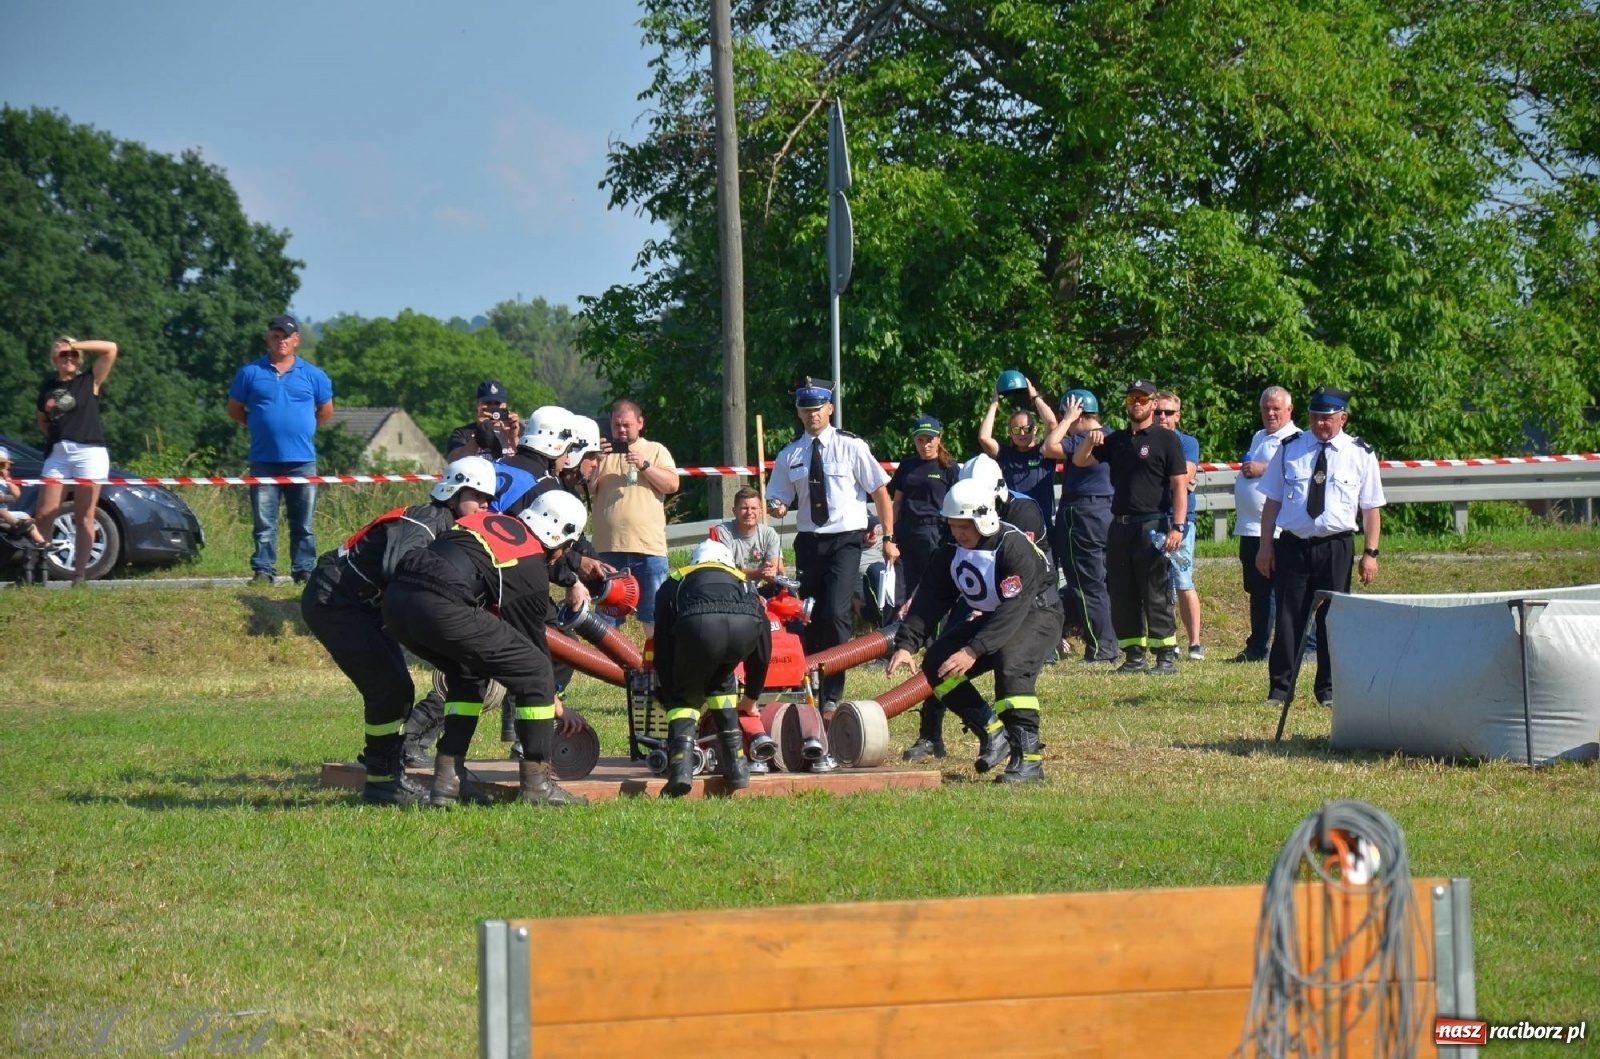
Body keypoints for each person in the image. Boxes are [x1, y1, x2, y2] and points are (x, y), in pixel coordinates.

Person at [300, 456, 498, 805]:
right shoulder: (427, 519)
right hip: (336, 601)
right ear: (453, 492)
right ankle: (383, 783)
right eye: (477, 495)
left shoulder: (451, 529)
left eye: (488, 498)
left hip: (368, 607)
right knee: (390, 690)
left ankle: (397, 773)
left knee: (405, 688)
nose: (485, 504)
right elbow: (399, 567)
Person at [383, 491, 593, 807]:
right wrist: (556, 705)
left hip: (397, 602)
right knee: (536, 670)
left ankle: (447, 781)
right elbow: (532, 653)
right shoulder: (529, 565)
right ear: (559, 537)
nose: (563, 552)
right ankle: (537, 787)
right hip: (441, 606)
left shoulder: (491, 521)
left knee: (468, 672)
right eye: (566, 545)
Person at [886, 478, 1062, 783]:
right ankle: (993, 733)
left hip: (1038, 613)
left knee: (1011, 665)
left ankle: (1029, 760)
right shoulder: (951, 550)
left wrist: (974, 649)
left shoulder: (1013, 546)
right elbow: (931, 597)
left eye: (964, 526)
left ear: (984, 519)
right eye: (953, 526)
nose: (958, 533)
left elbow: (1014, 608)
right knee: (937, 663)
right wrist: (906, 643)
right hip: (998, 616)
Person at [766, 379, 898, 710]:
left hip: (845, 540)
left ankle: (833, 691)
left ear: (830, 409)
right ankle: (810, 681)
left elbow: (880, 491)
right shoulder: (790, 453)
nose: (812, 416)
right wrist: (778, 506)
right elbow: (778, 497)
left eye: (818, 410)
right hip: (810, 542)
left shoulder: (851, 446)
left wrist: (888, 536)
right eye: (806, 410)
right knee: (811, 614)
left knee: (838, 612)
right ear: (798, 412)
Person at [1256, 386, 1385, 710]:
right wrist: (1265, 547)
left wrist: (1371, 553)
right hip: (1294, 545)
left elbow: (1371, 509)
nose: (1319, 424)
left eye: (1326, 418)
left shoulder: (1360, 453)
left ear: (1343, 417)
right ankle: (1280, 690)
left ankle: (1327, 690)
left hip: (1336, 546)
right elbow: (1271, 502)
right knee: (1288, 617)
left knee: (1332, 619)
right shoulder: (1290, 448)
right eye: (1314, 417)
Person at [1071, 379, 1190, 675]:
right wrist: (1090, 438)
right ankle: (1134, 656)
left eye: (1142, 399)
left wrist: (1177, 526)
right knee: (1123, 593)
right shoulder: (1118, 440)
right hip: (1120, 526)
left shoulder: (1166, 439)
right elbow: (1079, 460)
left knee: (1156, 592)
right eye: (1131, 399)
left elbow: (1179, 486)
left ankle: (1164, 656)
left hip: (1153, 524)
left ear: (1153, 403)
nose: (1136, 404)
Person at [651, 538, 773, 796]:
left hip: (700, 627)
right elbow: (763, 648)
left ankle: (680, 771)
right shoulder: (744, 582)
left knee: (686, 697)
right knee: (722, 682)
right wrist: (752, 696)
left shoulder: (677, 579)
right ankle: (737, 767)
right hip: (744, 631)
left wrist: (670, 687)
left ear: (695, 562)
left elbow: (662, 643)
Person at [227, 314, 334, 585]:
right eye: (275, 336)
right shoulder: (250, 373)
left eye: (285, 336)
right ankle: (264, 570)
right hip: (263, 460)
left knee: (304, 524)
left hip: (302, 461)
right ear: (268, 339)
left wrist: (304, 429)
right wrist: (258, 425)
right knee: (264, 523)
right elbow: (235, 409)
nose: (280, 341)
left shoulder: (314, 375)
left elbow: (325, 411)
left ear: (296, 340)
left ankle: (304, 570)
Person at [31, 337, 120, 585]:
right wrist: (55, 436)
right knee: (45, 512)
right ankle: (39, 568)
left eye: (73, 355)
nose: (69, 359)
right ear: (54, 359)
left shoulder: (88, 381)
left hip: (89, 452)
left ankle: (79, 574)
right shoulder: (48, 387)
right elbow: (42, 419)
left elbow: (110, 348)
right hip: (58, 453)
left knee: (84, 515)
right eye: (64, 355)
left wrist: (76, 344)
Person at [589, 399, 679, 636]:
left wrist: (645, 465)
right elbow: (586, 489)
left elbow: (672, 484)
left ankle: (657, 669)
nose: (621, 429)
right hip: (608, 550)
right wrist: (595, 461)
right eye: (616, 424)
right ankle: (612, 670)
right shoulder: (601, 453)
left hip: (648, 549)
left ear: (640, 423)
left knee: (655, 616)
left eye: (626, 424)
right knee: (606, 620)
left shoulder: (655, 450)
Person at [1042, 390, 1119, 664]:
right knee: (1107, 581)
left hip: (1082, 514)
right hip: (1108, 511)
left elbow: (1048, 446)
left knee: (1086, 583)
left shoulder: (1083, 439)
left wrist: (1066, 420)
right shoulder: (1112, 435)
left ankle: (1101, 648)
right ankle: (1112, 643)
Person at [1232, 386, 1299, 663]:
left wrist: (1263, 469)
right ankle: (1257, 646)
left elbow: (1297, 474)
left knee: (1281, 592)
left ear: (1289, 410)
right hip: (1250, 527)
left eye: (1276, 409)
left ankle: (1294, 647)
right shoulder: (1259, 436)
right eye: (1265, 408)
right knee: (1258, 591)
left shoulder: (1295, 438)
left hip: (1279, 530)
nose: (1270, 413)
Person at [1152, 391, 1204, 660]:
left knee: (1183, 581)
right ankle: (1166, 640)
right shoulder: (1144, 440)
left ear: (1178, 415)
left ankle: (1195, 643)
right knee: (1157, 584)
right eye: (1158, 411)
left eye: (1169, 412)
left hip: (1180, 519)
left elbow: (1184, 476)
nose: (1163, 417)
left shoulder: (1187, 442)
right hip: (1151, 517)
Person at [886, 415, 958, 604]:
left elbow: (956, 505)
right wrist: (890, 535)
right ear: (914, 440)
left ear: (939, 438)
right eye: (920, 440)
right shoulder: (907, 465)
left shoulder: (949, 468)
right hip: (906, 531)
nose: (925, 445)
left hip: (934, 533)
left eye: (929, 439)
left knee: (932, 588)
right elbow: (897, 502)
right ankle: (900, 630)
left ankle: (935, 633)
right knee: (901, 588)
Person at [977, 376, 1059, 535]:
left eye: (1027, 428)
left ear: (1035, 430)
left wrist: (1034, 396)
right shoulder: (1005, 454)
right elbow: (984, 438)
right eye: (1016, 430)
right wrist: (994, 404)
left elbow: (1051, 423)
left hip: (1043, 526)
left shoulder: (1045, 451)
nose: (1022, 433)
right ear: (1010, 433)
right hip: (1014, 526)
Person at [714, 486, 784, 582]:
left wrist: (773, 572)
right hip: (731, 590)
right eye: (744, 508)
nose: (749, 512)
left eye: (754, 508)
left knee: (784, 589)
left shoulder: (769, 534)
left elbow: (778, 569)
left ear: (760, 512)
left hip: (757, 592)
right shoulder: (723, 533)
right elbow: (725, 572)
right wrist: (759, 573)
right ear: (734, 511)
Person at [445, 379, 521, 461]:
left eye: (497, 403)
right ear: (477, 404)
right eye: (488, 403)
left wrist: (513, 438)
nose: (492, 407)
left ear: (505, 405)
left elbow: (531, 462)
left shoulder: (518, 430)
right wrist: (478, 435)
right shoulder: (463, 433)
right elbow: (454, 461)